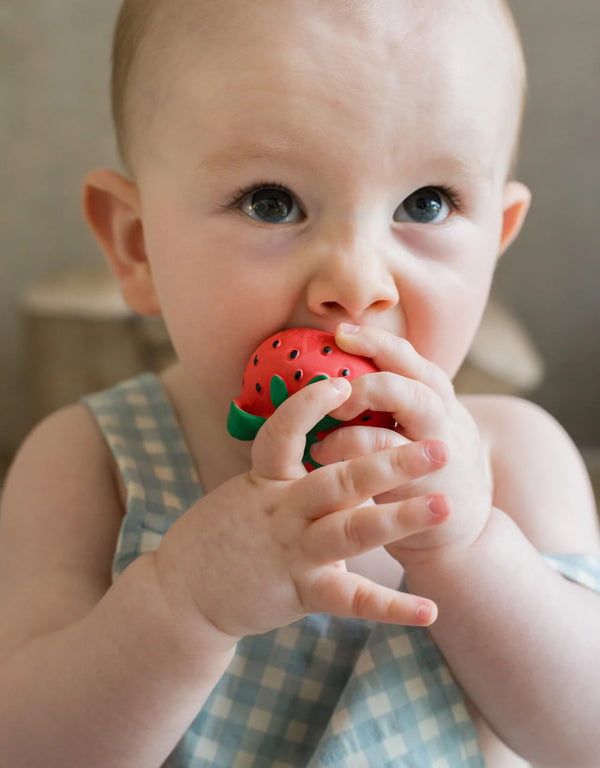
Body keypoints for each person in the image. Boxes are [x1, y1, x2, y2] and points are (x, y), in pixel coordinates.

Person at [1, 0, 599, 765]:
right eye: (272, 202)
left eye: (427, 203)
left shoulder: (515, 458)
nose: (356, 282)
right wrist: (184, 606)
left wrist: (472, 551)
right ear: (138, 246)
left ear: (496, 242)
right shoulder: (88, 462)